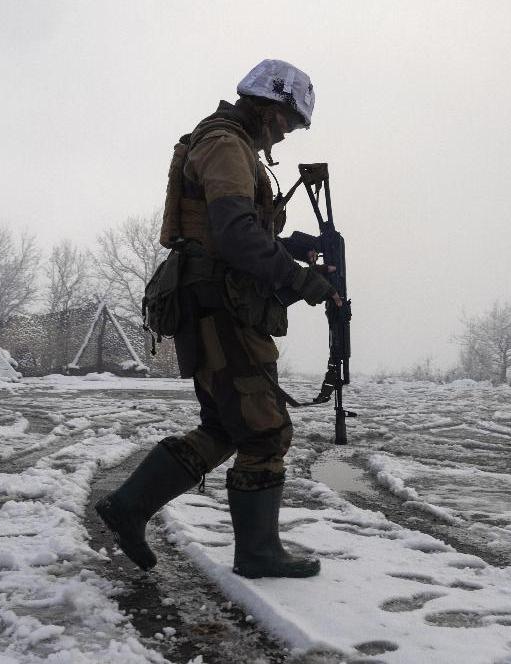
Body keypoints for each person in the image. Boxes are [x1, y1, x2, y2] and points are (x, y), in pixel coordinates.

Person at [95, 59, 338, 579]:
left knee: (226, 427)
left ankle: (129, 506)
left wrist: (291, 246)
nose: (289, 134)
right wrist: (298, 279)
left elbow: (232, 228)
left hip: (215, 303)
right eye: (290, 122)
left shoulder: (230, 144)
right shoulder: (228, 145)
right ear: (270, 108)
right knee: (265, 432)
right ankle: (257, 554)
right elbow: (233, 235)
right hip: (222, 307)